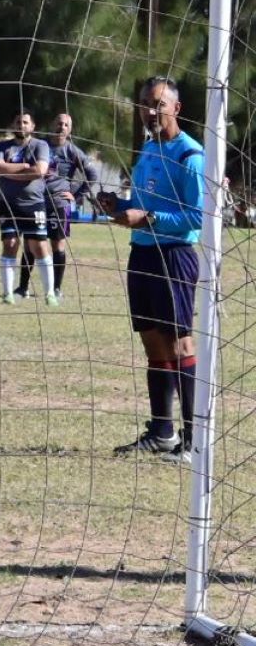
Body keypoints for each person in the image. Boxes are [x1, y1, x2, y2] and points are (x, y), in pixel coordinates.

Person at [103, 76, 206, 461]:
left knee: (180, 344)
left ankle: (194, 441)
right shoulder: (147, 149)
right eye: (146, 103)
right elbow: (141, 202)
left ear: (175, 108)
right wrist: (117, 204)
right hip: (142, 254)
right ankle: (161, 433)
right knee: (152, 342)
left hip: (174, 255)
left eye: (158, 104)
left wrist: (147, 217)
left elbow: (197, 216)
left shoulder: (190, 155)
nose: (150, 111)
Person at [23, 111, 97, 299]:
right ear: (52, 125)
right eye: (59, 123)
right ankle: (22, 287)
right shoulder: (39, 146)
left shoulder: (73, 151)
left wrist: (75, 194)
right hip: (36, 203)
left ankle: (56, 288)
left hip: (58, 204)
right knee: (31, 244)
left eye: (65, 125)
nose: (61, 127)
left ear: (70, 130)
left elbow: (92, 175)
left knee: (58, 245)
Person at [0, 110, 55, 304]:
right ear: (13, 125)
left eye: (25, 122)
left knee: (39, 246)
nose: (21, 125)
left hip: (33, 204)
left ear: (32, 126)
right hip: (8, 204)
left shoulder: (41, 145)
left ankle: (50, 293)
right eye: (18, 122)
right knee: (10, 244)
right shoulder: (2, 146)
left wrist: (10, 170)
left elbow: (41, 171)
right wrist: (25, 168)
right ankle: (8, 293)